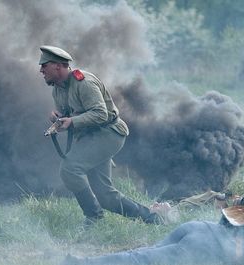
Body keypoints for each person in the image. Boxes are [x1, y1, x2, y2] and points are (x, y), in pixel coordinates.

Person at [38, 45, 159, 226]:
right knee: (106, 196)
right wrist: (57, 117)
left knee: (70, 168)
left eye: (44, 66)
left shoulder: (83, 82)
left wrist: (73, 122)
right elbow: (68, 113)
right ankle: (154, 219)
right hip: (91, 138)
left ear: (57, 66)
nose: (41, 70)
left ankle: (94, 217)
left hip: (109, 133)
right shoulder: (57, 89)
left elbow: (100, 113)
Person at [63, 195, 244, 265]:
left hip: (198, 229)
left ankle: (86, 263)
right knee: (141, 259)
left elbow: (230, 219)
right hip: (202, 246)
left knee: (144, 254)